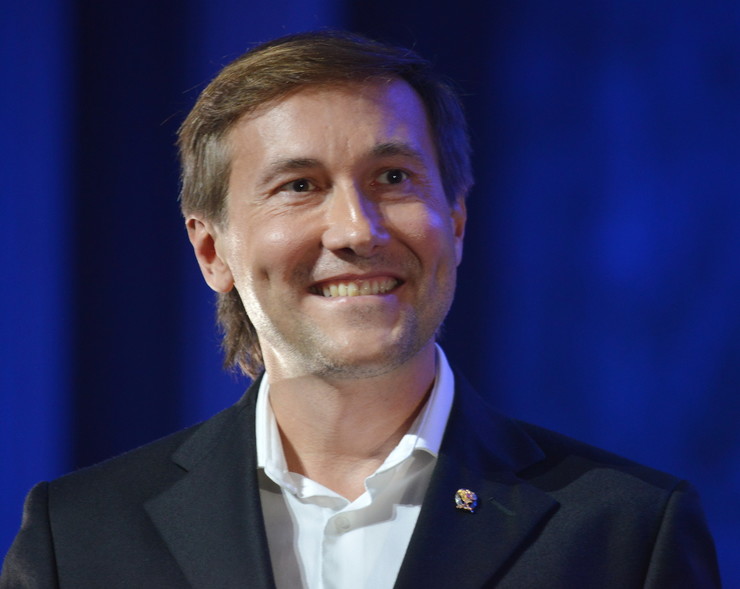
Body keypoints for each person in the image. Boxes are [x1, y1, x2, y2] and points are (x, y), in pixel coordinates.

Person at [1, 31, 721, 588]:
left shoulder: (627, 532)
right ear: (212, 251)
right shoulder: (81, 537)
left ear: (456, 222)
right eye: (299, 186)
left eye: (393, 177)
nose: (356, 230)